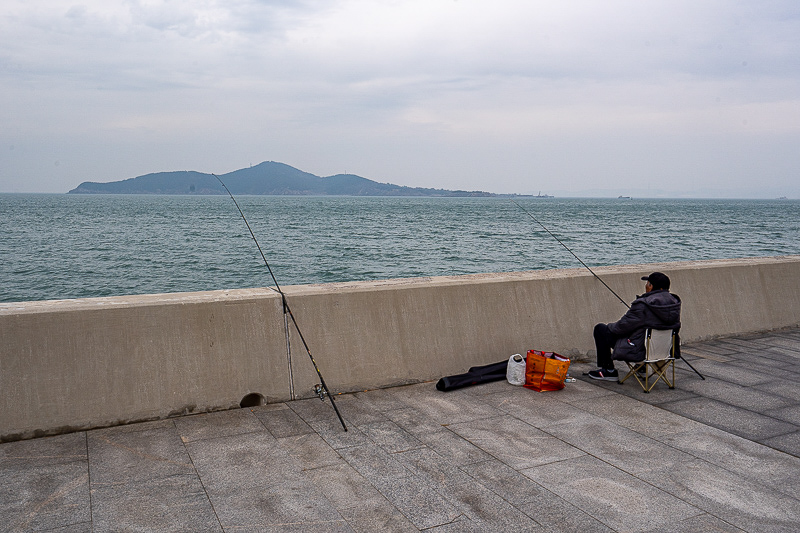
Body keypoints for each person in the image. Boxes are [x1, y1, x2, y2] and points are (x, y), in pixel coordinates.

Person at [587, 272, 681, 380]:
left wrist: (609, 327)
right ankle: (641, 368)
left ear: (652, 287)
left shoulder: (643, 304)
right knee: (643, 331)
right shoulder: (674, 303)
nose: (646, 286)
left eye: (648, 283)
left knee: (600, 329)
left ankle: (609, 371)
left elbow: (621, 327)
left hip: (640, 351)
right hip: (665, 350)